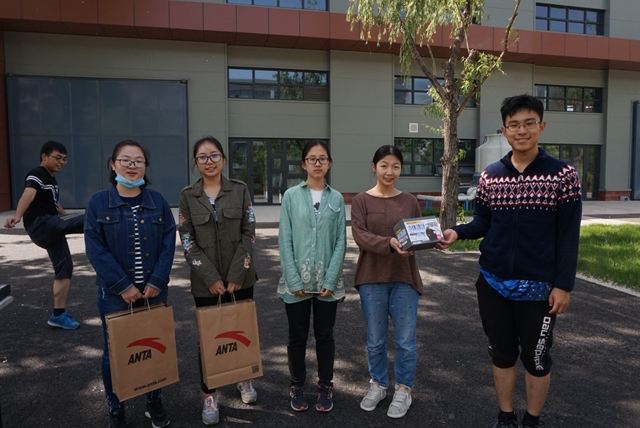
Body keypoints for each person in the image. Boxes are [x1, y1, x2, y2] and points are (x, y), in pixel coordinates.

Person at [436, 94, 582, 428]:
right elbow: (482, 222)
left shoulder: (563, 175)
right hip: (493, 283)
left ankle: (531, 421)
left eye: (529, 123)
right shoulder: (491, 176)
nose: (521, 130)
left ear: (542, 126)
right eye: (514, 125)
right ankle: (505, 418)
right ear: (504, 130)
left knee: (536, 359)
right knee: (501, 355)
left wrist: (563, 285)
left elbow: (568, 236)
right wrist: (456, 232)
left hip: (540, 288)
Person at [85, 140, 176, 428]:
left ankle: (153, 399)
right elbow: (95, 248)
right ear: (113, 165)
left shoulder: (157, 201)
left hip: (153, 292)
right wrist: (123, 285)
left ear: (146, 167)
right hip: (115, 294)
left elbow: (168, 242)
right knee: (114, 352)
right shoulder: (98, 202)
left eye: (138, 161)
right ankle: (116, 406)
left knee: (154, 347)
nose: (132, 165)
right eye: (125, 160)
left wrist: (158, 280)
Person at [178, 136, 258, 426]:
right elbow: (187, 240)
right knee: (210, 338)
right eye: (202, 157)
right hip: (205, 284)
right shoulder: (188, 196)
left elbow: (249, 232)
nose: (209, 161)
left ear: (223, 159)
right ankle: (210, 393)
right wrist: (211, 278)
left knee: (241, 331)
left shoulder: (240, 189)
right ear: (195, 163)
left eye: (214, 155)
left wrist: (236, 275)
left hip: (241, 279)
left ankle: (243, 378)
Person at [350, 145, 423, 419]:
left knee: (406, 341)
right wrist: (390, 243)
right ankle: (379, 384)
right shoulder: (361, 201)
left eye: (395, 166)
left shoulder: (409, 200)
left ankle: (404, 388)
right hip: (371, 278)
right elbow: (360, 236)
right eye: (384, 165)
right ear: (374, 167)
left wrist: (430, 240)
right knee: (375, 340)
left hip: (404, 277)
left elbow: (417, 234)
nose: (389, 171)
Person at [277, 141, 347, 413]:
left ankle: (325, 385)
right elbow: (285, 239)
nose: (317, 163)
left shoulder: (337, 198)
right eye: (312, 159)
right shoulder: (291, 196)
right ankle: (297, 385)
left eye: (323, 159)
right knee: (297, 337)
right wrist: (293, 279)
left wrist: (331, 279)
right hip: (297, 281)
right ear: (303, 164)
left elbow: (340, 241)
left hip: (327, 281)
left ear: (329, 163)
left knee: (325, 336)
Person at [4, 141, 84, 330]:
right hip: (40, 224)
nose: (61, 162)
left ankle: (58, 315)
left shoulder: (51, 179)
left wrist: (67, 218)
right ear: (44, 156)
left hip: (52, 228)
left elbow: (55, 204)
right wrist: (17, 216)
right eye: (58, 158)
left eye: (64, 160)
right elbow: (28, 194)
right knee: (92, 216)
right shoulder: (37, 174)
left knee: (65, 269)